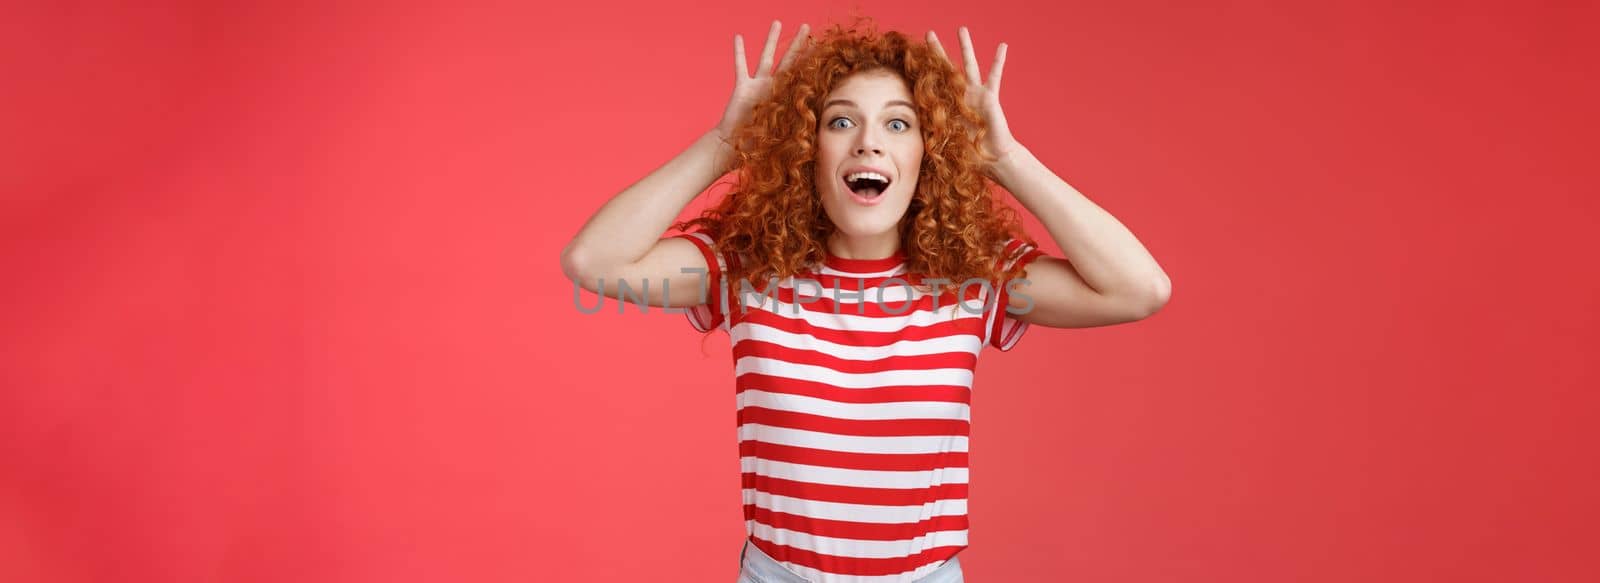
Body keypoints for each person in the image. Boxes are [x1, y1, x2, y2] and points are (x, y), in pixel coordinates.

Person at [561, 16, 1171, 583]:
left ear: (926, 154)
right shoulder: (746, 270)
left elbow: (1138, 289)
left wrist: (1007, 161)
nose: (869, 145)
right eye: (841, 121)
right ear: (807, 148)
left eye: (898, 124)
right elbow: (595, 261)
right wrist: (725, 143)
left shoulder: (973, 279)